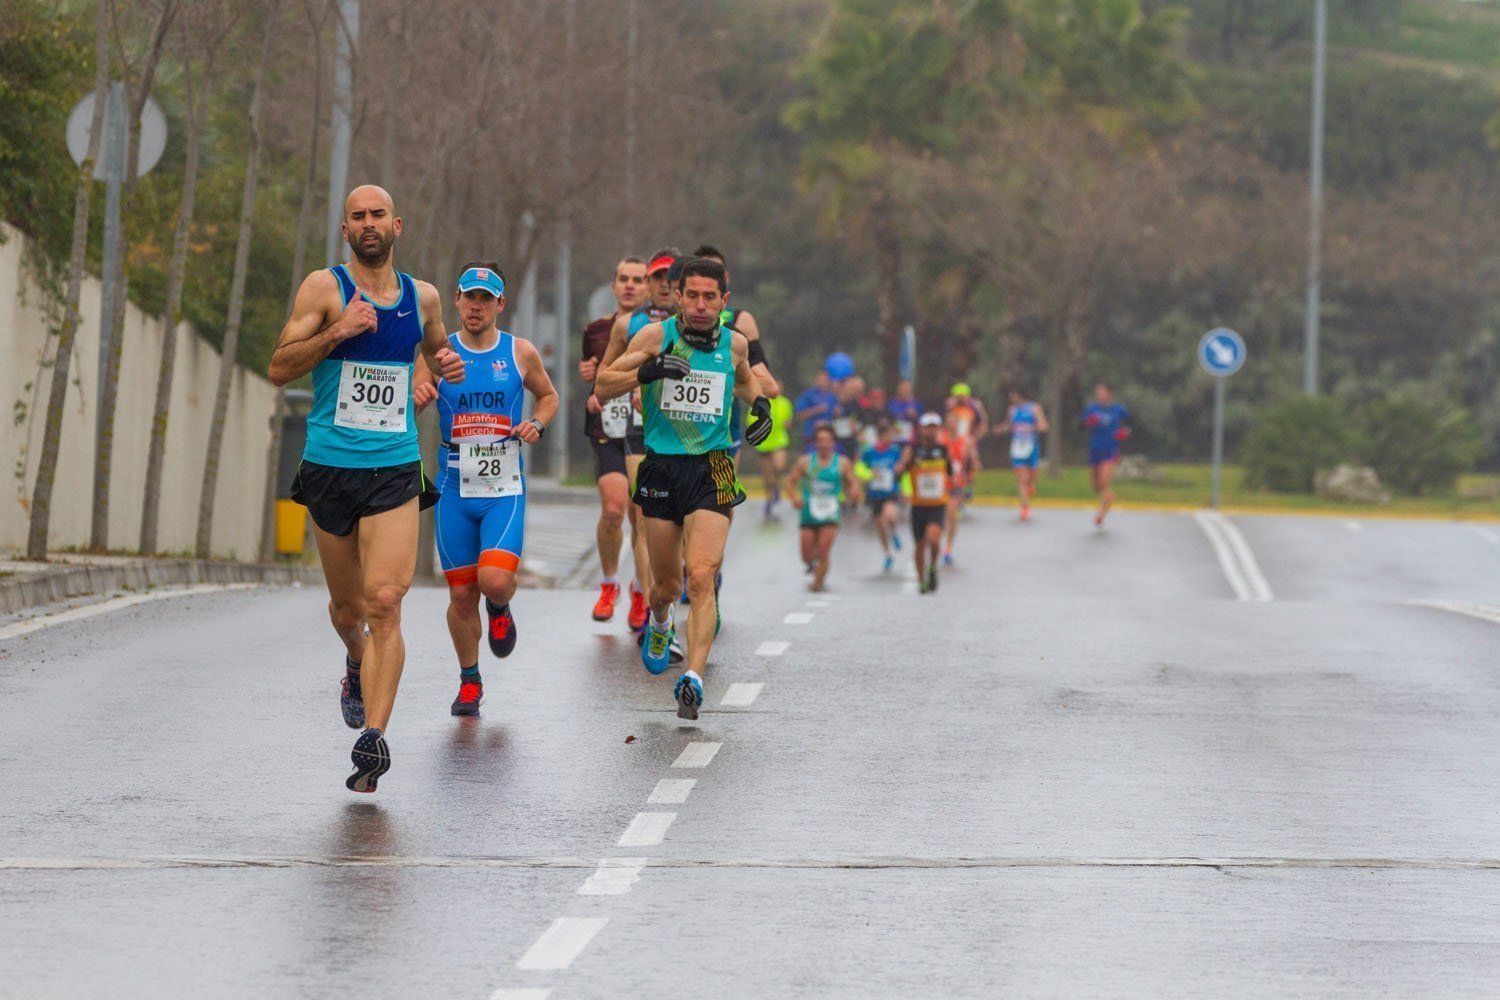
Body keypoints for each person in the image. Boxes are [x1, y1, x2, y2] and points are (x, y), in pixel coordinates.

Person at [269, 184, 465, 794]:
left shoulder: (423, 297)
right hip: (330, 466)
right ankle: (354, 661)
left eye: (378, 215)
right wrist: (338, 333)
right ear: (345, 231)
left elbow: (435, 351)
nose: (369, 224)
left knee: (386, 601)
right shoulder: (323, 289)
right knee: (348, 610)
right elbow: (278, 365)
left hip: (395, 466)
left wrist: (438, 371)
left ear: (397, 225)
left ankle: (374, 739)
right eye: (358, 217)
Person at [596, 256, 772, 719]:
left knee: (701, 576)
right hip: (661, 469)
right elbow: (603, 383)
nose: (699, 304)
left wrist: (763, 412)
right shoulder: (655, 337)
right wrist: (646, 373)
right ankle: (659, 621)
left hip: (712, 468)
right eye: (691, 295)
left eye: (709, 297)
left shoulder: (733, 345)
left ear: (723, 301)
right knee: (666, 585)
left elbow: (751, 386)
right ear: (677, 296)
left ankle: (692, 676)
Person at [412, 262, 558, 717]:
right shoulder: (437, 354)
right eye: (468, 297)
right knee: (459, 595)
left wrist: (536, 422)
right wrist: (418, 395)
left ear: (500, 305)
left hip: (503, 485)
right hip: (455, 482)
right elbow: (411, 399)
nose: (476, 307)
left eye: (485, 299)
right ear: (455, 301)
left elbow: (548, 396)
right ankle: (470, 681)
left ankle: (500, 605)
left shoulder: (519, 352)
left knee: (494, 580)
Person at [598, 247, 680, 638]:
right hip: (640, 430)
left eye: (670, 279)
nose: (663, 286)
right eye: (658, 278)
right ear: (650, 283)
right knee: (643, 518)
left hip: (687, 436)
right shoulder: (631, 325)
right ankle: (651, 611)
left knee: (676, 525)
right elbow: (605, 376)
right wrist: (634, 381)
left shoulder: (699, 326)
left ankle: (677, 588)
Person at [578, 256, 647, 623]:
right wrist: (590, 382)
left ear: (648, 287)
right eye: (624, 279)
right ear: (614, 286)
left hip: (645, 432)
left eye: (638, 279)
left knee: (640, 516)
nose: (631, 285)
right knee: (614, 510)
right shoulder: (595, 330)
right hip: (606, 428)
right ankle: (608, 584)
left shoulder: (657, 328)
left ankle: (640, 591)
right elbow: (592, 371)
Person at [787, 424, 862, 592]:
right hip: (808, 512)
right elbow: (791, 481)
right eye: (820, 441)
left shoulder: (842, 463)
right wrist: (795, 498)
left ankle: (817, 584)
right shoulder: (805, 462)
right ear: (815, 443)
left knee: (823, 548)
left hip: (831, 512)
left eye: (827, 440)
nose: (824, 444)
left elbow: (852, 482)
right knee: (806, 554)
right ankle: (810, 565)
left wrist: (854, 493)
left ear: (833, 443)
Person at [899, 413, 954, 595]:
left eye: (934, 427)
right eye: (927, 427)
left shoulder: (943, 450)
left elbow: (950, 473)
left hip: (937, 503)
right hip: (918, 504)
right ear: (921, 429)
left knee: (933, 539)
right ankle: (922, 580)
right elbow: (901, 471)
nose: (930, 431)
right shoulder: (912, 450)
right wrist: (905, 464)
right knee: (920, 545)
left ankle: (932, 567)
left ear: (938, 429)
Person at [995, 389, 1049, 522]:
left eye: (1014, 396)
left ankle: (1031, 484)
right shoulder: (1012, 410)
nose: (1012, 399)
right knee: (1022, 478)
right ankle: (1024, 508)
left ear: (1020, 395)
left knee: (1030, 477)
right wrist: (1000, 429)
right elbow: (1009, 425)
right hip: (1017, 447)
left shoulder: (1034, 408)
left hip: (1032, 447)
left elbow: (1044, 426)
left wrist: (1034, 427)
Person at [1084, 382, 1131, 528]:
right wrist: (1089, 422)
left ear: (1109, 393)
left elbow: (1132, 424)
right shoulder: (1092, 409)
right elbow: (1081, 425)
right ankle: (1108, 497)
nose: (1100, 395)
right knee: (1096, 485)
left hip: (1110, 450)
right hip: (1095, 449)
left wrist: (1125, 433)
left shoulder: (1118, 410)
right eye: (1098, 392)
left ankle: (1101, 514)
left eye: (1102, 392)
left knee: (1104, 481)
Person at [861, 418, 905, 572]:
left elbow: (902, 468)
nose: (890, 438)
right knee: (879, 525)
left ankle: (894, 533)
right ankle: (887, 553)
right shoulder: (869, 451)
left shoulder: (895, 451)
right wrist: (868, 474)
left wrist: (901, 477)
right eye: (888, 435)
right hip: (875, 493)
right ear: (881, 435)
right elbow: (859, 468)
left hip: (890, 491)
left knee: (890, 515)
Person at [942, 408, 980, 566]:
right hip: (940, 484)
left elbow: (973, 463)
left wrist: (970, 482)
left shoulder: (966, 441)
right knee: (941, 516)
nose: (952, 424)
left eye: (954, 421)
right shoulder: (940, 439)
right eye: (949, 421)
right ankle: (938, 539)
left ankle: (948, 548)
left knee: (951, 513)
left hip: (957, 483)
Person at [756, 392, 794, 520]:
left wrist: (788, 424)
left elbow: (789, 420)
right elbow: (751, 420)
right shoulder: (759, 401)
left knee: (779, 466)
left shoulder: (785, 402)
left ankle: (776, 487)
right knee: (767, 477)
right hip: (764, 442)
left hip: (779, 441)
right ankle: (769, 500)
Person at [793, 370, 840, 449]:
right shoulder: (807, 395)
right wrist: (816, 410)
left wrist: (837, 413)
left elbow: (836, 416)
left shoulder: (832, 397)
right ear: (815, 380)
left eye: (825, 380)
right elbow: (799, 416)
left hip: (828, 438)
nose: (823, 382)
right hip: (811, 437)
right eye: (820, 380)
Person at [832, 375, 865, 458]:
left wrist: (856, 429)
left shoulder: (856, 404)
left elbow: (861, 421)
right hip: (835, 439)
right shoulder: (832, 401)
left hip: (850, 439)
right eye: (850, 388)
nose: (853, 391)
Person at [887, 380, 922, 445]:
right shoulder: (891, 404)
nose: (905, 392)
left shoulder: (916, 404)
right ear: (898, 390)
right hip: (894, 438)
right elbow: (888, 419)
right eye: (902, 389)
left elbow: (921, 422)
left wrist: (915, 416)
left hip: (910, 440)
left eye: (907, 390)